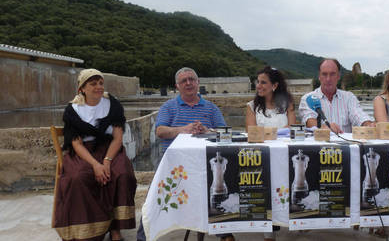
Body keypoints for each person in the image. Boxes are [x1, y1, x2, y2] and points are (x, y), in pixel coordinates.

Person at [137, 67, 231, 241]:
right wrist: (184, 129)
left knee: (221, 186)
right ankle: (143, 237)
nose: (188, 83)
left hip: (204, 162)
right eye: (184, 81)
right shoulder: (168, 107)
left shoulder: (211, 108)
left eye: (191, 79)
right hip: (173, 163)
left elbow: (224, 131)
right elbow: (160, 131)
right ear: (177, 86)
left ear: (198, 82)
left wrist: (206, 130)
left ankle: (223, 230)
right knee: (155, 195)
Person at [54, 69, 137, 241]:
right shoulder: (73, 110)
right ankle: (90, 232)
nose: (98, 87)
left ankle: (115, 229)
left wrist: (106, 162)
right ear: (82, 88)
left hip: (109, 148)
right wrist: (95, 165)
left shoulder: (112, 104)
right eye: (93, 84)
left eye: (100, 83)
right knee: (78, 177)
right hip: (84, 152)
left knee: (122, 174)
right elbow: (75, 143)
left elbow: (117, 138)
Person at [246, 66, 294, 241]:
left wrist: (269, 133)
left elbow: (293, 129)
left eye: (263, 82)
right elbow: (252, 132)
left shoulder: (287, 104)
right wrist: (279, 131)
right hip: (262, 157)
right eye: (257, 82)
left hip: (284, 155)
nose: (258, 85)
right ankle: (268, 233)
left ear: (274, 86)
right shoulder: (251, 107)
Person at [299, 58, 374, 133]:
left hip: (346, 144)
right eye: (324, 74)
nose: (328, 79)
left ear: (338, 76)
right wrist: (325, 127)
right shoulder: (307, 98)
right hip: (319, 143)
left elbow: (358, 115)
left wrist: (368, 124)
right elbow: (309, 120)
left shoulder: (349, 97)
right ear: (319, 76)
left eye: (332, 74)